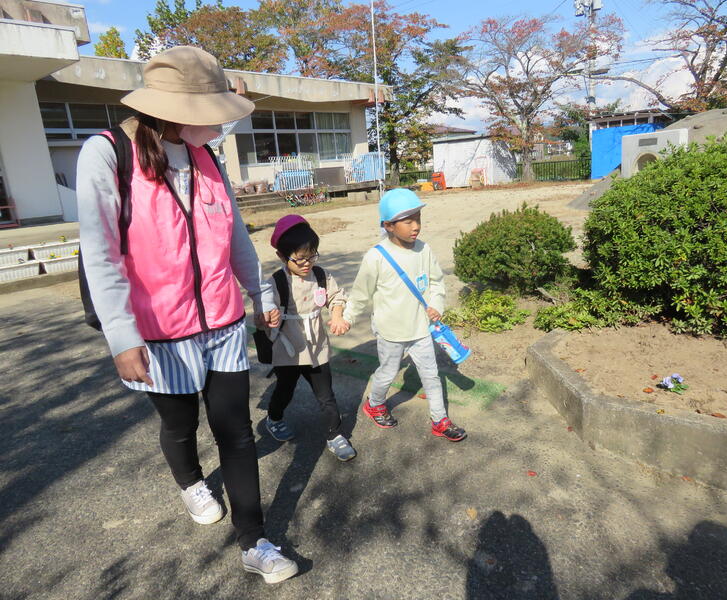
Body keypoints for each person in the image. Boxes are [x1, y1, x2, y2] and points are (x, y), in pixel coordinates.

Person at [77, 46, 297, 584]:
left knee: (236, 431)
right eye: (209, 112)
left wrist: (262, 293)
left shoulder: (207, 158)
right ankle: (191, 482)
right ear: (172, 111)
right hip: (158, 331)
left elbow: (234, 234)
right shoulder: (107, 153)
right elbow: (100, 252)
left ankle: (255, 540)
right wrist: (121, 336)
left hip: (221, 322)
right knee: (179, 424)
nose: (218, 124)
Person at [342, 189, 467, 441]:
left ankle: (440, 420)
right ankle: (375, 404)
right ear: (388, 225)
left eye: (418, 219)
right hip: (391, 331)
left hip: (421, 328)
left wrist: (436, 305)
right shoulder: (376, 257)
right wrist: (347, 318)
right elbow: (360, 294)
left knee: (431, 375)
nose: (416, 226)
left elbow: (436, 282)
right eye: (408, 221)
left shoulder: (424, 250)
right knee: (387, 372)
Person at [260, 215, 356, 461]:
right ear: (282, 257)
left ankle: (335, 434)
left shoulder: (321, 275)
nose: (307, 263)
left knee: (326, 395)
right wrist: (265, 318)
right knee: (284, 390)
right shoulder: (277, 282)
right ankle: (274, 418)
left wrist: (337, 316)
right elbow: (263, 312)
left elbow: (336, 297)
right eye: (300, 259)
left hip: (316, 348)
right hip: (288, 350)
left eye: (312, 256)